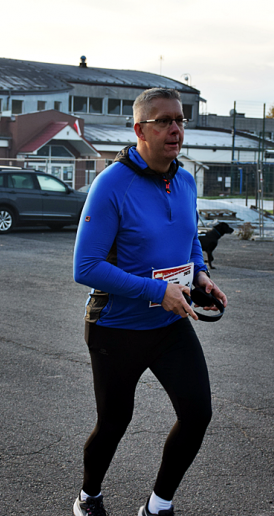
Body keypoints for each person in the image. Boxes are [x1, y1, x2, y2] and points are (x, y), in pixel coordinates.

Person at [72, 87, 227, 516]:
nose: (176, 129)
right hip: (116, 327)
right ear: (141, 129)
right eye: (164, 121)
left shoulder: (185, 179)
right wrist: (157, 290)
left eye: (180, 120)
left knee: (197, 414)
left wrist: (200, 274)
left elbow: (189, 241)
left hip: (169, 324)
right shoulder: (110, 186)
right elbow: (84, 267)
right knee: (115, 422)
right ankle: (89, 497)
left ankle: (158, 505)